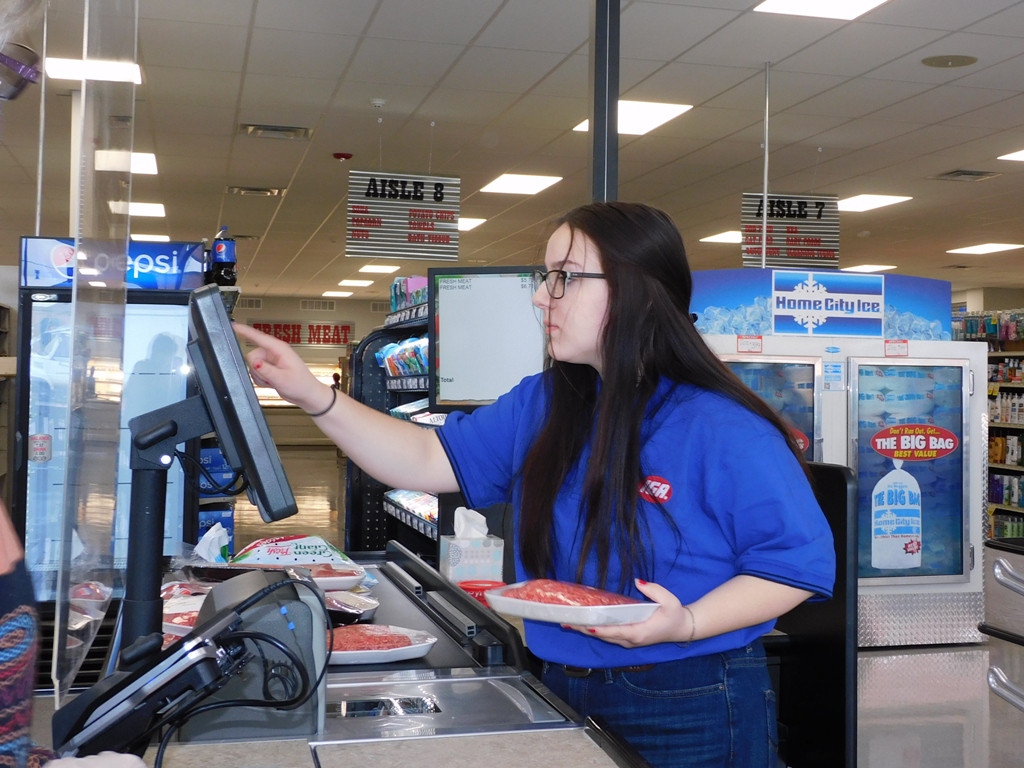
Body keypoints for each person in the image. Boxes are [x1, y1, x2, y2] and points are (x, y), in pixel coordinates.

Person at [234, 201, 836, 768]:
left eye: (565, 277)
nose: (542, 297)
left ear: (636, 290)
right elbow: (425, 458)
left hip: (690, 698)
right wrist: (313, 395)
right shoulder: (547, 402)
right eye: (545, 277)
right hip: (559, 683)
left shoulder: (723, 426)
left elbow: (794, 567)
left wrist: (688, 624)